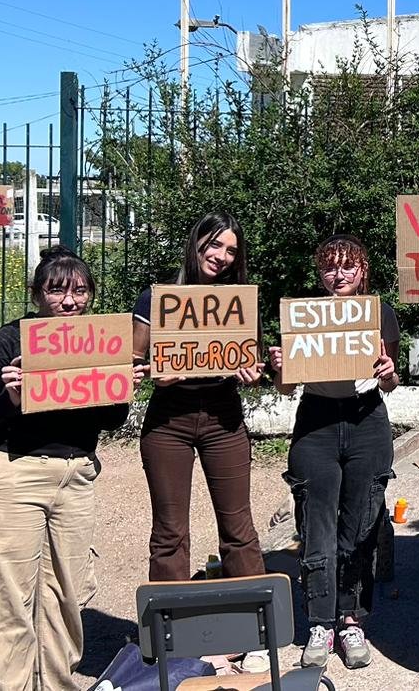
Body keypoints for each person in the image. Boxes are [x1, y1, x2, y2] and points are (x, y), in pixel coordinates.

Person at [0, 246, 145, 691]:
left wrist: (122, 388)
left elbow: (110, 421)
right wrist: (9, 401)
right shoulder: (8, 342)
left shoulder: (98, 344)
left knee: (66, 599)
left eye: (80, 291)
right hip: (10, 476)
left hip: (75, 478)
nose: (70, 301)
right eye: (57, 290)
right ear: (37, 295)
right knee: (4, 604)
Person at [131, 213, 270, 670]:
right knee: (170, 534)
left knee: (239, 529)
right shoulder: (156, 299)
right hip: (168, 421)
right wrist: (154, 372)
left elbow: (248, 362)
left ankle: (250, 635)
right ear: (195, 244)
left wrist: (253, 375)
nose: (222, 257)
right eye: (215, 245)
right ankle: (172, 635)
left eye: (231, 250)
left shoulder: (237, 303)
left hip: (223, 418)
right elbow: (131, 366)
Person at [269, 234, 400, 670]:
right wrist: (280, 369)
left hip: (367, 422)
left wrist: (388, 374)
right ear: (320, 273)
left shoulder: (379, 313)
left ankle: (352, 619)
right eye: (330, 267)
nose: (339, 274)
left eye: (348, 266)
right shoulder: (305, 316)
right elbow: (287, 386)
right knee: (316, 527)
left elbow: (390, 380)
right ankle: (320, 622)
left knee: (360, 525)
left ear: (363, 270)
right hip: (317, 424)